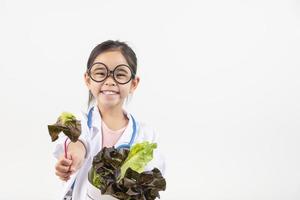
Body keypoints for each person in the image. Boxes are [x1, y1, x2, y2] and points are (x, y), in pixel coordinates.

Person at [53, 40, 166, 200]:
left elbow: (151, 180)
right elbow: (76, 141)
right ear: (87, 79)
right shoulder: (78, 121)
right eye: (100, 73)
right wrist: (73, 158)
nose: (110, 81)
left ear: (133, 83)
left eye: (120, 74)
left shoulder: (147, 135)